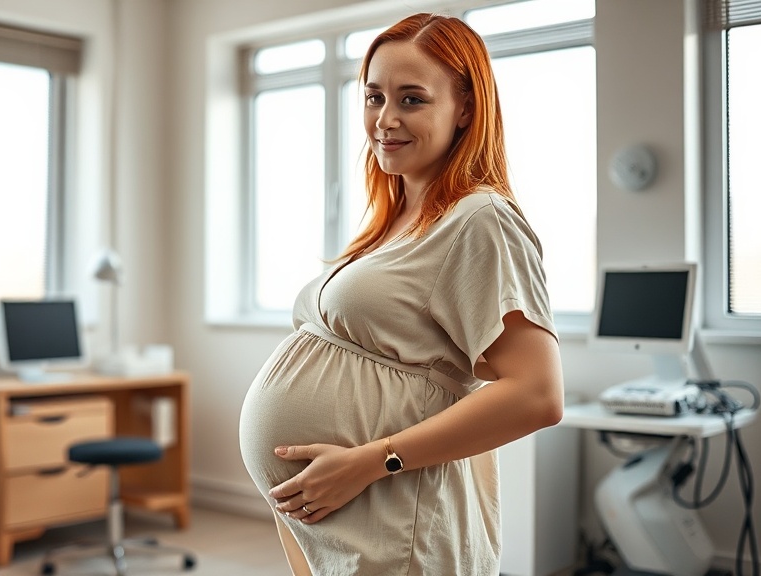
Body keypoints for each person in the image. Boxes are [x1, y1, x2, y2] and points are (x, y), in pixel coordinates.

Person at [237, 12, 565, 576]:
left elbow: (537, 394)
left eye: (412, 99)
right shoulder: (394, 220)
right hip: (337, 516)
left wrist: (371, 461)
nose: (384, 120)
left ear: (465, 109)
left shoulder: (480, 219)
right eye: (374, 97)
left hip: (397, 516)